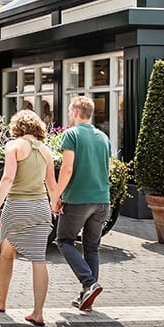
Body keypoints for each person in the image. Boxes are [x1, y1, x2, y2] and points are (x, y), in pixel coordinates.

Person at [0, 109, 58, 326]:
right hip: (40, 207)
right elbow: (51, 184)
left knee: (7, 253)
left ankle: (1, 300)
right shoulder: (46, 151)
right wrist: (55, 205)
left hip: (17, 206)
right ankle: (38, 312)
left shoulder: (14, 146)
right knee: (39, 259)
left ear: (17, 127)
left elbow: (8, 177)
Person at [52, 95, 113, 312]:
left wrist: (56, 195)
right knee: (92, 248)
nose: (69, 115)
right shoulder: (104, 138)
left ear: (76, 113)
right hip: (102, 200)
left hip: (78, 199)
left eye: (70, 111)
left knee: (64, 240)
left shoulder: (71, 134)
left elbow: (67, 169)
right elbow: (107, 169)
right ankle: (87, 297)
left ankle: (89, 283)